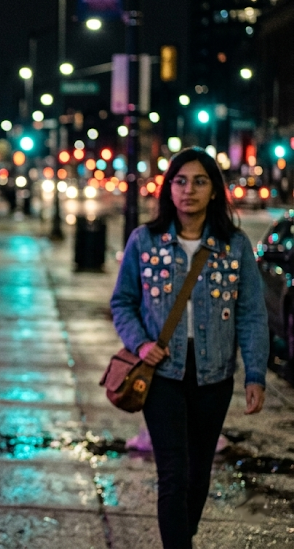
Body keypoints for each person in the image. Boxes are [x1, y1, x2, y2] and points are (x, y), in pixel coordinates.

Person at [110, 147, 267, 549]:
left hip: (213, 375)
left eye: (199, 181)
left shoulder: (234, 245)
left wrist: (255, 374)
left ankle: (182, 538)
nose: (188, 190)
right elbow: (122, 302)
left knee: (198, 475)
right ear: (169, 189)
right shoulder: (144, 241)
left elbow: (251, 313)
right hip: (162, 375)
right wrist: (141, 344)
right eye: (180, 181)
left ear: (214, 190)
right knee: (174, 475)